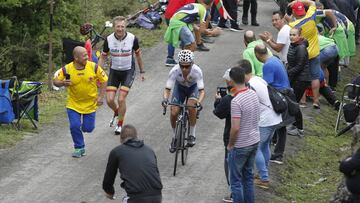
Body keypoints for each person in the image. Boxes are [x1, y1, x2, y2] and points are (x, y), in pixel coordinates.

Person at [53, 46, 108, 158]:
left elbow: (104, 80)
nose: (87, 57)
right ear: (76, 58)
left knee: (88, 128)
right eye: (84, 56)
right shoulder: (67, 69)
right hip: (73, 104)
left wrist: (101, 97)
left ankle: (83, 128)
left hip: (90, 104)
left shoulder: (94, 67)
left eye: (87, 55)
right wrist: (63, 83)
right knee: (74, 126)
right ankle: (79, 147)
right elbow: (55, 81)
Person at [98, 16, 145, 135]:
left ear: (125, 27)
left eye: (122, 26)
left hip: (128, 71)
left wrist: (142, 72)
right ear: (114, 27)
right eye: (118, 26)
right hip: (114, 71)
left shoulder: (132, 38)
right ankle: (117, 112)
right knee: (109, 100)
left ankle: (119, 124)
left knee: (121, 98)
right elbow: (103, 56)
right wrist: (98, 73)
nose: (120, 29)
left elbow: (138, 55)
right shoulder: (108, 39)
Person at [240, 59, 282, 189]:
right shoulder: (258, 79)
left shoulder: (251, 85)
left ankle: (264, 179)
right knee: (265, 146)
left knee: (256, 148)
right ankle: (263, 173)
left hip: (265, 120)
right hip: (275, 117)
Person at [287, 0, 336, 109]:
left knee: (302, 77)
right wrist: (298, 1)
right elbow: (311, 3)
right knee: (315, 77)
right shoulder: (311, 16)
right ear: (304, 10)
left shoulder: (293, 25)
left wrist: (289, 9)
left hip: (302, 54)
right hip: (315, 52)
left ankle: (303, 101)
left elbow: (287, 18)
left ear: (294, 12)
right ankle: (316, 100)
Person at [102, 125, 163, 203]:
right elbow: (155, 173)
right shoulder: (149, 150)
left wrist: (110, 192)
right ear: (136, 137)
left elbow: (108, 179)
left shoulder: (117, 151)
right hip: (157, 196)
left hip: (136, 198)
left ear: (121, 139)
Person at [254, 44, 292, 164]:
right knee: (281, 127)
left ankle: (277, 154)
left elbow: (267, 85)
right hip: (285, 94)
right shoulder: (275, 59)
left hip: (279, 97)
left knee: (277, 125)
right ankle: (277, 153)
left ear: (257, 55)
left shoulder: (268, 65)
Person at [162, 50, 205, 152]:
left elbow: (202, 91)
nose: (184, 69)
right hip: (180, 88)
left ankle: (192, 134)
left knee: (191, 106)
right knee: (174, 111)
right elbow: (167, 89)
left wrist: (198, 103)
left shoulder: (197, 71)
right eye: (182, 66)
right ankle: (175, 138)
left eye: (187, 66)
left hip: (192, 88)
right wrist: (165, 100)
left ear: (192, 64)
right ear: (179, 64)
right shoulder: (174, 70)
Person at [228, 66, 260, 203]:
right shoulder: (253, 93)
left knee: (235, 181)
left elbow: (235, 128)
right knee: (248, 177)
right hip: (254, 140)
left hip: (241, 145)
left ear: (231, 80)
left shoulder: (236, 101)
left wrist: (230, 144)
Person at [213, 69, 235, 202]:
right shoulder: (250, 92)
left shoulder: (229, 98)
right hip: (250, 138)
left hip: (231, 139)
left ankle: (233, 194)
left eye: (227, 80)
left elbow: (219, 113)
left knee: (230, 166)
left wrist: (217, 101)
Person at [286, 27, 311, 137]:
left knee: (294, 103)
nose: (291, 36)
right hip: (296, 78)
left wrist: (287, 73)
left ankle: (300, 128)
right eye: (290, 34)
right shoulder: (293, 45)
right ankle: (295, 124)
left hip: (301, 79)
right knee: (292, 102)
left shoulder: (301, 48)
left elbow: (299, 66)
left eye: (294, 35)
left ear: (299, 36)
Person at [164, 0, 196, 66]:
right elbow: (189, 9)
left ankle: (170, 58)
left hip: (168, 14)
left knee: (173, 35)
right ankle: (185, 60)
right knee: (185, 35)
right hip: (177, 16)